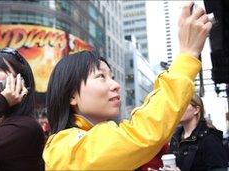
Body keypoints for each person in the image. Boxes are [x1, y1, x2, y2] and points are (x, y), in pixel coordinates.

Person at [43, 2, 213, 170]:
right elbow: (142, 133)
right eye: (101, 76)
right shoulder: (64, 148)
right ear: (71, 96)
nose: (116, 85)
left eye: (113, 77)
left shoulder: (90, 139)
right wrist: (187, 55)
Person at [169, 93, 228, 171]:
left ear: (196, 110)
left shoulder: (210, 138)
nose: (177, 109)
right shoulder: (175, 138)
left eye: (183, 104)